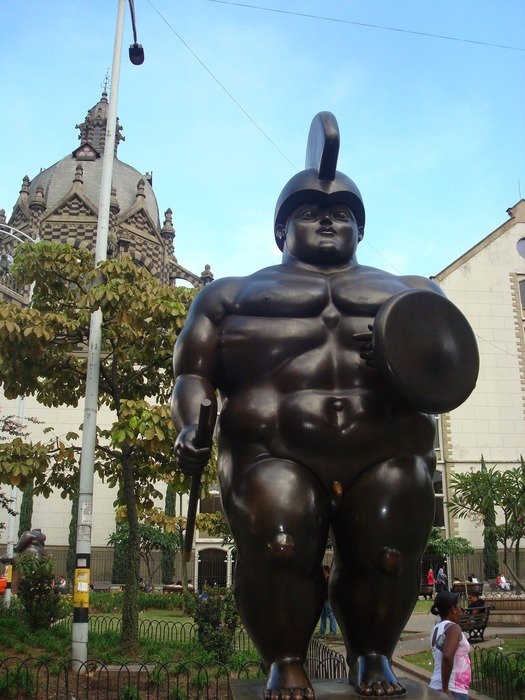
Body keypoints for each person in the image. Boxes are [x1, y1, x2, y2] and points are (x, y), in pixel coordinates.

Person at [172, 112, 478, 698]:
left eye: (342, 214)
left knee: (389, 552)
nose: (329, 220)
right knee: (279, 540)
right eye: (310, 212)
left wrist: (397, 355)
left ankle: (373, 656)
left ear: (361, 228)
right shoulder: (231, 295)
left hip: (385, 450)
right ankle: (285, 658)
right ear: (280, 229)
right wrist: (191, 423)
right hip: (272, 451)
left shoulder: (413, 292)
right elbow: (192, 372)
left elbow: (449, 370)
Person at [429, 591, 471, 699]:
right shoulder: (454, 628)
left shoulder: (436, 628)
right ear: (453, 609)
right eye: (458, 606)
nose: (461, 610)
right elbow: (447, 657)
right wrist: (445, 689)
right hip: (453, 690)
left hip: (435, 687)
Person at [319, 565, 337, 636]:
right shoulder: (324, 580)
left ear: (326, 571)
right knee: (323, 616)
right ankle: (322, 631)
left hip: (327, 600)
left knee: (330, 616)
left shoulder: (329, 580)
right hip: (324, 600)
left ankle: (333, 631)